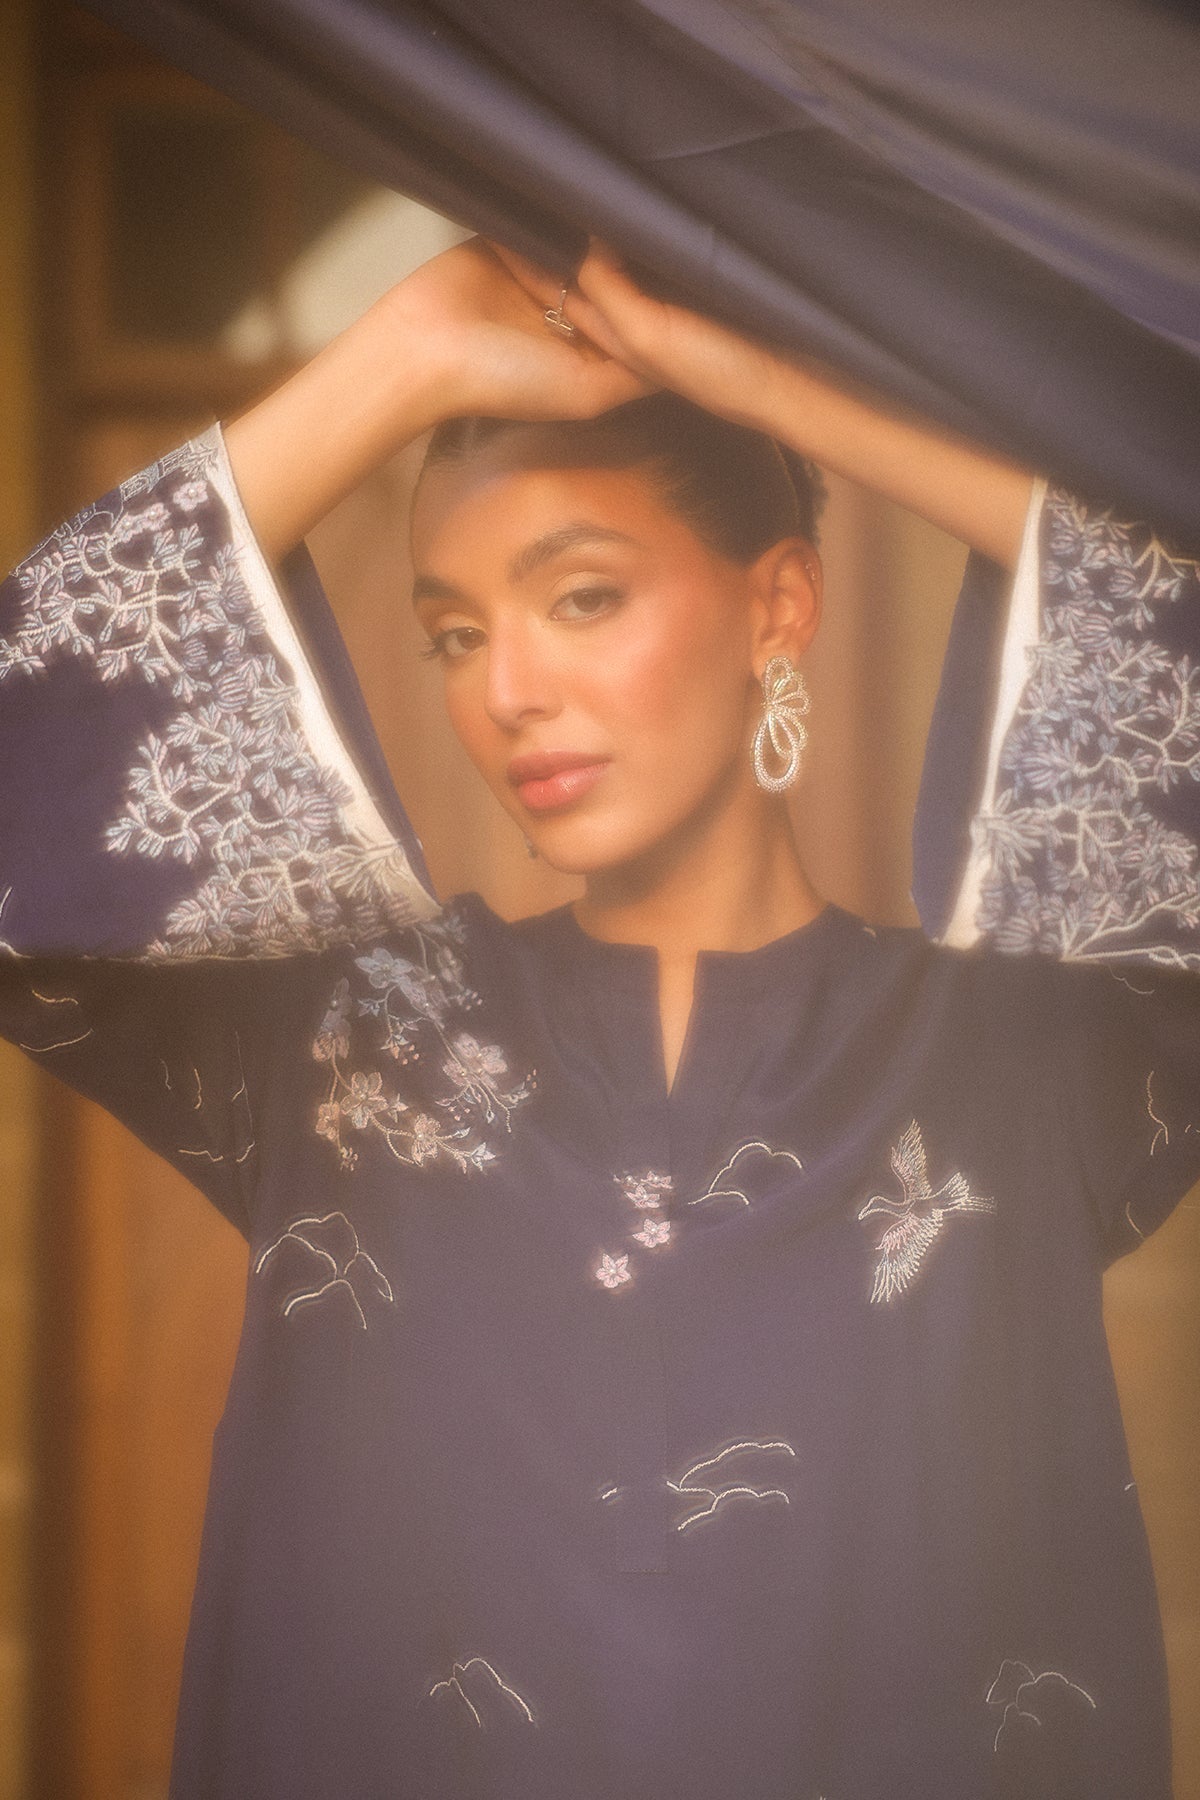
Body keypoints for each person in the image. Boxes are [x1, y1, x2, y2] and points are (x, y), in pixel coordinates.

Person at [1, 235, 1197, 1800]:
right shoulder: (355, 1051)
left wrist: (790, 389)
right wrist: (405, 354)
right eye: (455, 633)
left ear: (780, 603)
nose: (506, 689)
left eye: (581, 596)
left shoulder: (1020, 1062)